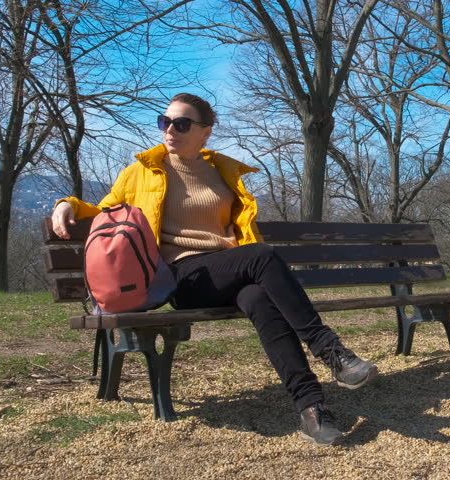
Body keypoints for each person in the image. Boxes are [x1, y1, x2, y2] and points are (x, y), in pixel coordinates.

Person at [51, 92, 377, 446]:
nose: (170, 129)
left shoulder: (223, 172)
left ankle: (312, 409)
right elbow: (104, 210)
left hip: (227, 269)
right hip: (181, 277)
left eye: (182, 123)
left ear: (205, 132)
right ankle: (332, 352)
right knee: (261, 255)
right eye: (165, 122)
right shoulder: (141, 172)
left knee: (259, 299)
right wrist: (66, 204)